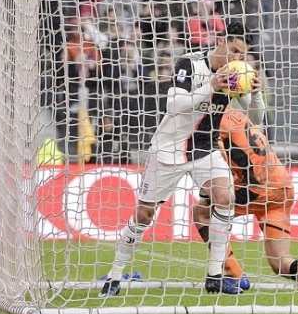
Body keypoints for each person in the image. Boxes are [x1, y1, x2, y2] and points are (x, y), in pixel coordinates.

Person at [100, 22, 265, 297]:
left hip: (205, 148)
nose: (237, 58)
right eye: (234, 50)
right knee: (144, 214)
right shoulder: (189, 63)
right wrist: (211, 86)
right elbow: (173, 105)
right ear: (220, 41)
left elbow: (257, 119)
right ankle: (115, 275)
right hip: (169, 148)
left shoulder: (236, 76)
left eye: (242, 54)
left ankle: (214, 276)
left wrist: (256, 94)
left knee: (225, 197)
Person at [193, 109, 298, 291]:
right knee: (280, 261)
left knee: (202, 214)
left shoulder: (213, 125)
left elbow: (218, 162)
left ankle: (234, 275)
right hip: (282, 186)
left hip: (256, 189)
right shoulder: (237, 114)